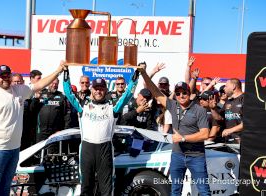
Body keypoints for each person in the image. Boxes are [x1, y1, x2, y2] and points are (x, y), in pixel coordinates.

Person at [0, 62, 66, 196]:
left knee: (6, 185)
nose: (5, 78)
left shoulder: (19, 90)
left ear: (11, 77)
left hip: (14, 148)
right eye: (2, 76)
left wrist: (58, 70)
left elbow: (40, 84)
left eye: (7, 75)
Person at [63, 67, 139, 195]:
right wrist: (66, 72)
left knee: (106, 189)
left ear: (106, 90)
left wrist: (135, 76)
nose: (98, 91)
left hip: (105, 150)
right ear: (92, 90)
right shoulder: (83, 106)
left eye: (101, 88)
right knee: (86, 188)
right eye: (96, 88)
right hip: (87, 149)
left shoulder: (113, 107)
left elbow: (128, 95)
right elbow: (68, 93)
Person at [139, 63, 210, 196]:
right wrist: (144, 73)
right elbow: (155, 91)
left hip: (196, 156)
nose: (181, 95)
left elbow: (205, 134)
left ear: (189, 93)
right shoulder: (173, 105)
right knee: (175, 191)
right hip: (177, 155)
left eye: (184, 92)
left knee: (204, 191)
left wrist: (183, 138)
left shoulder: (199, 110)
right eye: (178, 93)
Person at [36, 78, 70, 142]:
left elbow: (66, 116)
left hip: (55, 132)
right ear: (48, 83)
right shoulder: (40, 94)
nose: (54, 85)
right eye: (52, 83)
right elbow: (32, 110)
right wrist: (35, 99)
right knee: (40, 151)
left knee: (53, 151)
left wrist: (64, 130)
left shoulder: (62, 96)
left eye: (56, 84)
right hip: (40, 131)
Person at [212, 78, 244, 143]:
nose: (224, 88)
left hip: (242, 141)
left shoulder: (245, 99)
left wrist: (230, 130)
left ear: (233, 87)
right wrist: (212, 108)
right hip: (228, 140)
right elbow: (219, 118)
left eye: (226, 86)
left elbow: (249, 123)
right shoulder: (228, 101)